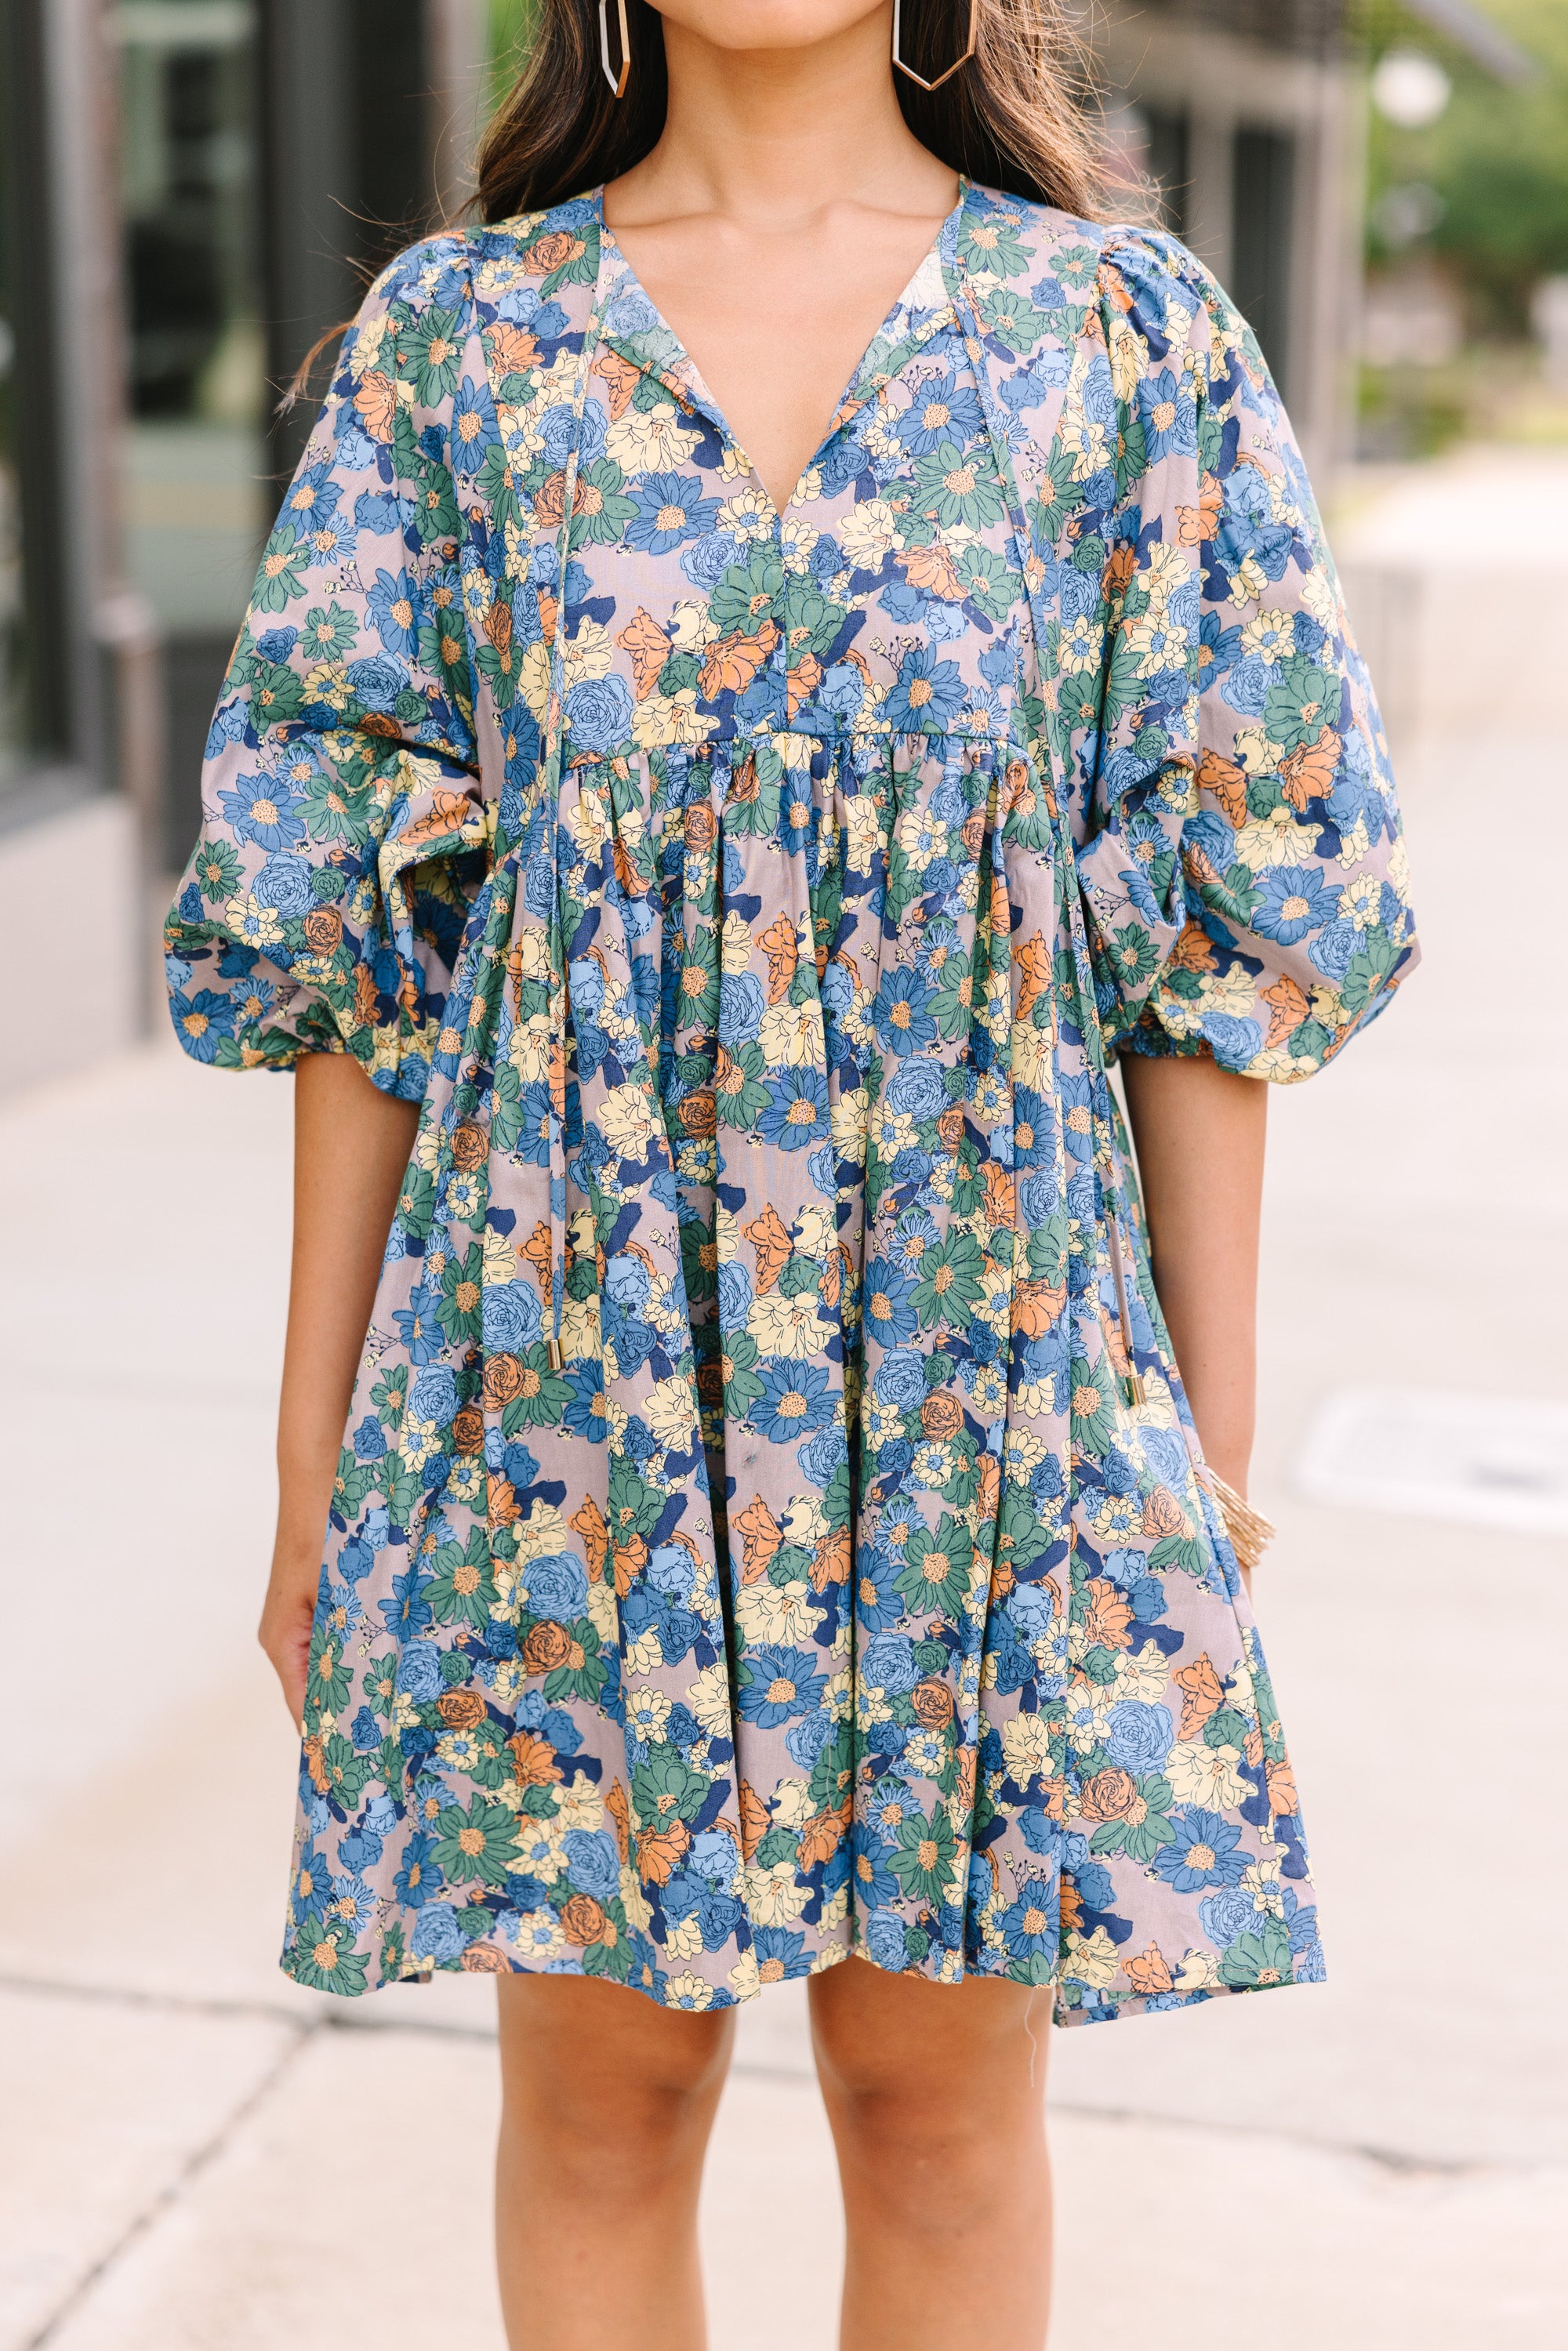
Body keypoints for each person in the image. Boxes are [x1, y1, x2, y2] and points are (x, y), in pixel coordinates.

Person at [163, 3, 1417, 2343]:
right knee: (605, 2103)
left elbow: (1221, 917)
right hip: (570, 1353)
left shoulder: (1122, 341)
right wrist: (314, 1438)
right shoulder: (468, 345)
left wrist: (1200, 1446)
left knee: (936, 2120)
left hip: (988, 1361)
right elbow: (355, 924)